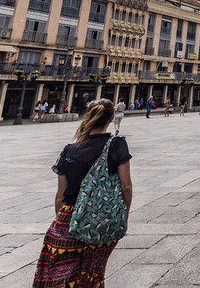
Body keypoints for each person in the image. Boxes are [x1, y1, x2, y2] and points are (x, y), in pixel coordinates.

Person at [33, 99, 132, 288]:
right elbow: (126, 187)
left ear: (88, 117)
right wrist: (123, 216)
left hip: (68, 218)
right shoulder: (117, 146)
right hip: (102, 221)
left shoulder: (69, 150)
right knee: (93, 273)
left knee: (63, 277)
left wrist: (64, 223)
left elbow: (60, 196)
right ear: (110, 119)